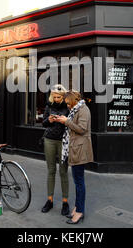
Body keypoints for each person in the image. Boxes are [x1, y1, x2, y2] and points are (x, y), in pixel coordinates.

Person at [54, 91, 93, 224]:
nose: (68, 106)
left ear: (74, 101)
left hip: (79, 150)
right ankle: (77, 207)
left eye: (68, 103)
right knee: (77, 181)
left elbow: (82, 129)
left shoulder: (84, 110)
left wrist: (66, 122)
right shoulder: (77, 109)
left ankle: (80, 212)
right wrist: (63, 120)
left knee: (79, 182)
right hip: (75, 148)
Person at [41, 84, 70, 216]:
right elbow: (44, 123)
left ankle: (65, 202)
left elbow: (72, 123)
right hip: (49, 140)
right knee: (51, 170)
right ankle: (50, 200)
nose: (57, 99)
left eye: (59, 97)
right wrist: (49, 120)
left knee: (63, 171)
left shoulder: (68, 107)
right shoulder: (49, 106)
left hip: (63, 141)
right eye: (54, 96)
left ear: (63, 96)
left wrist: (65, 121)